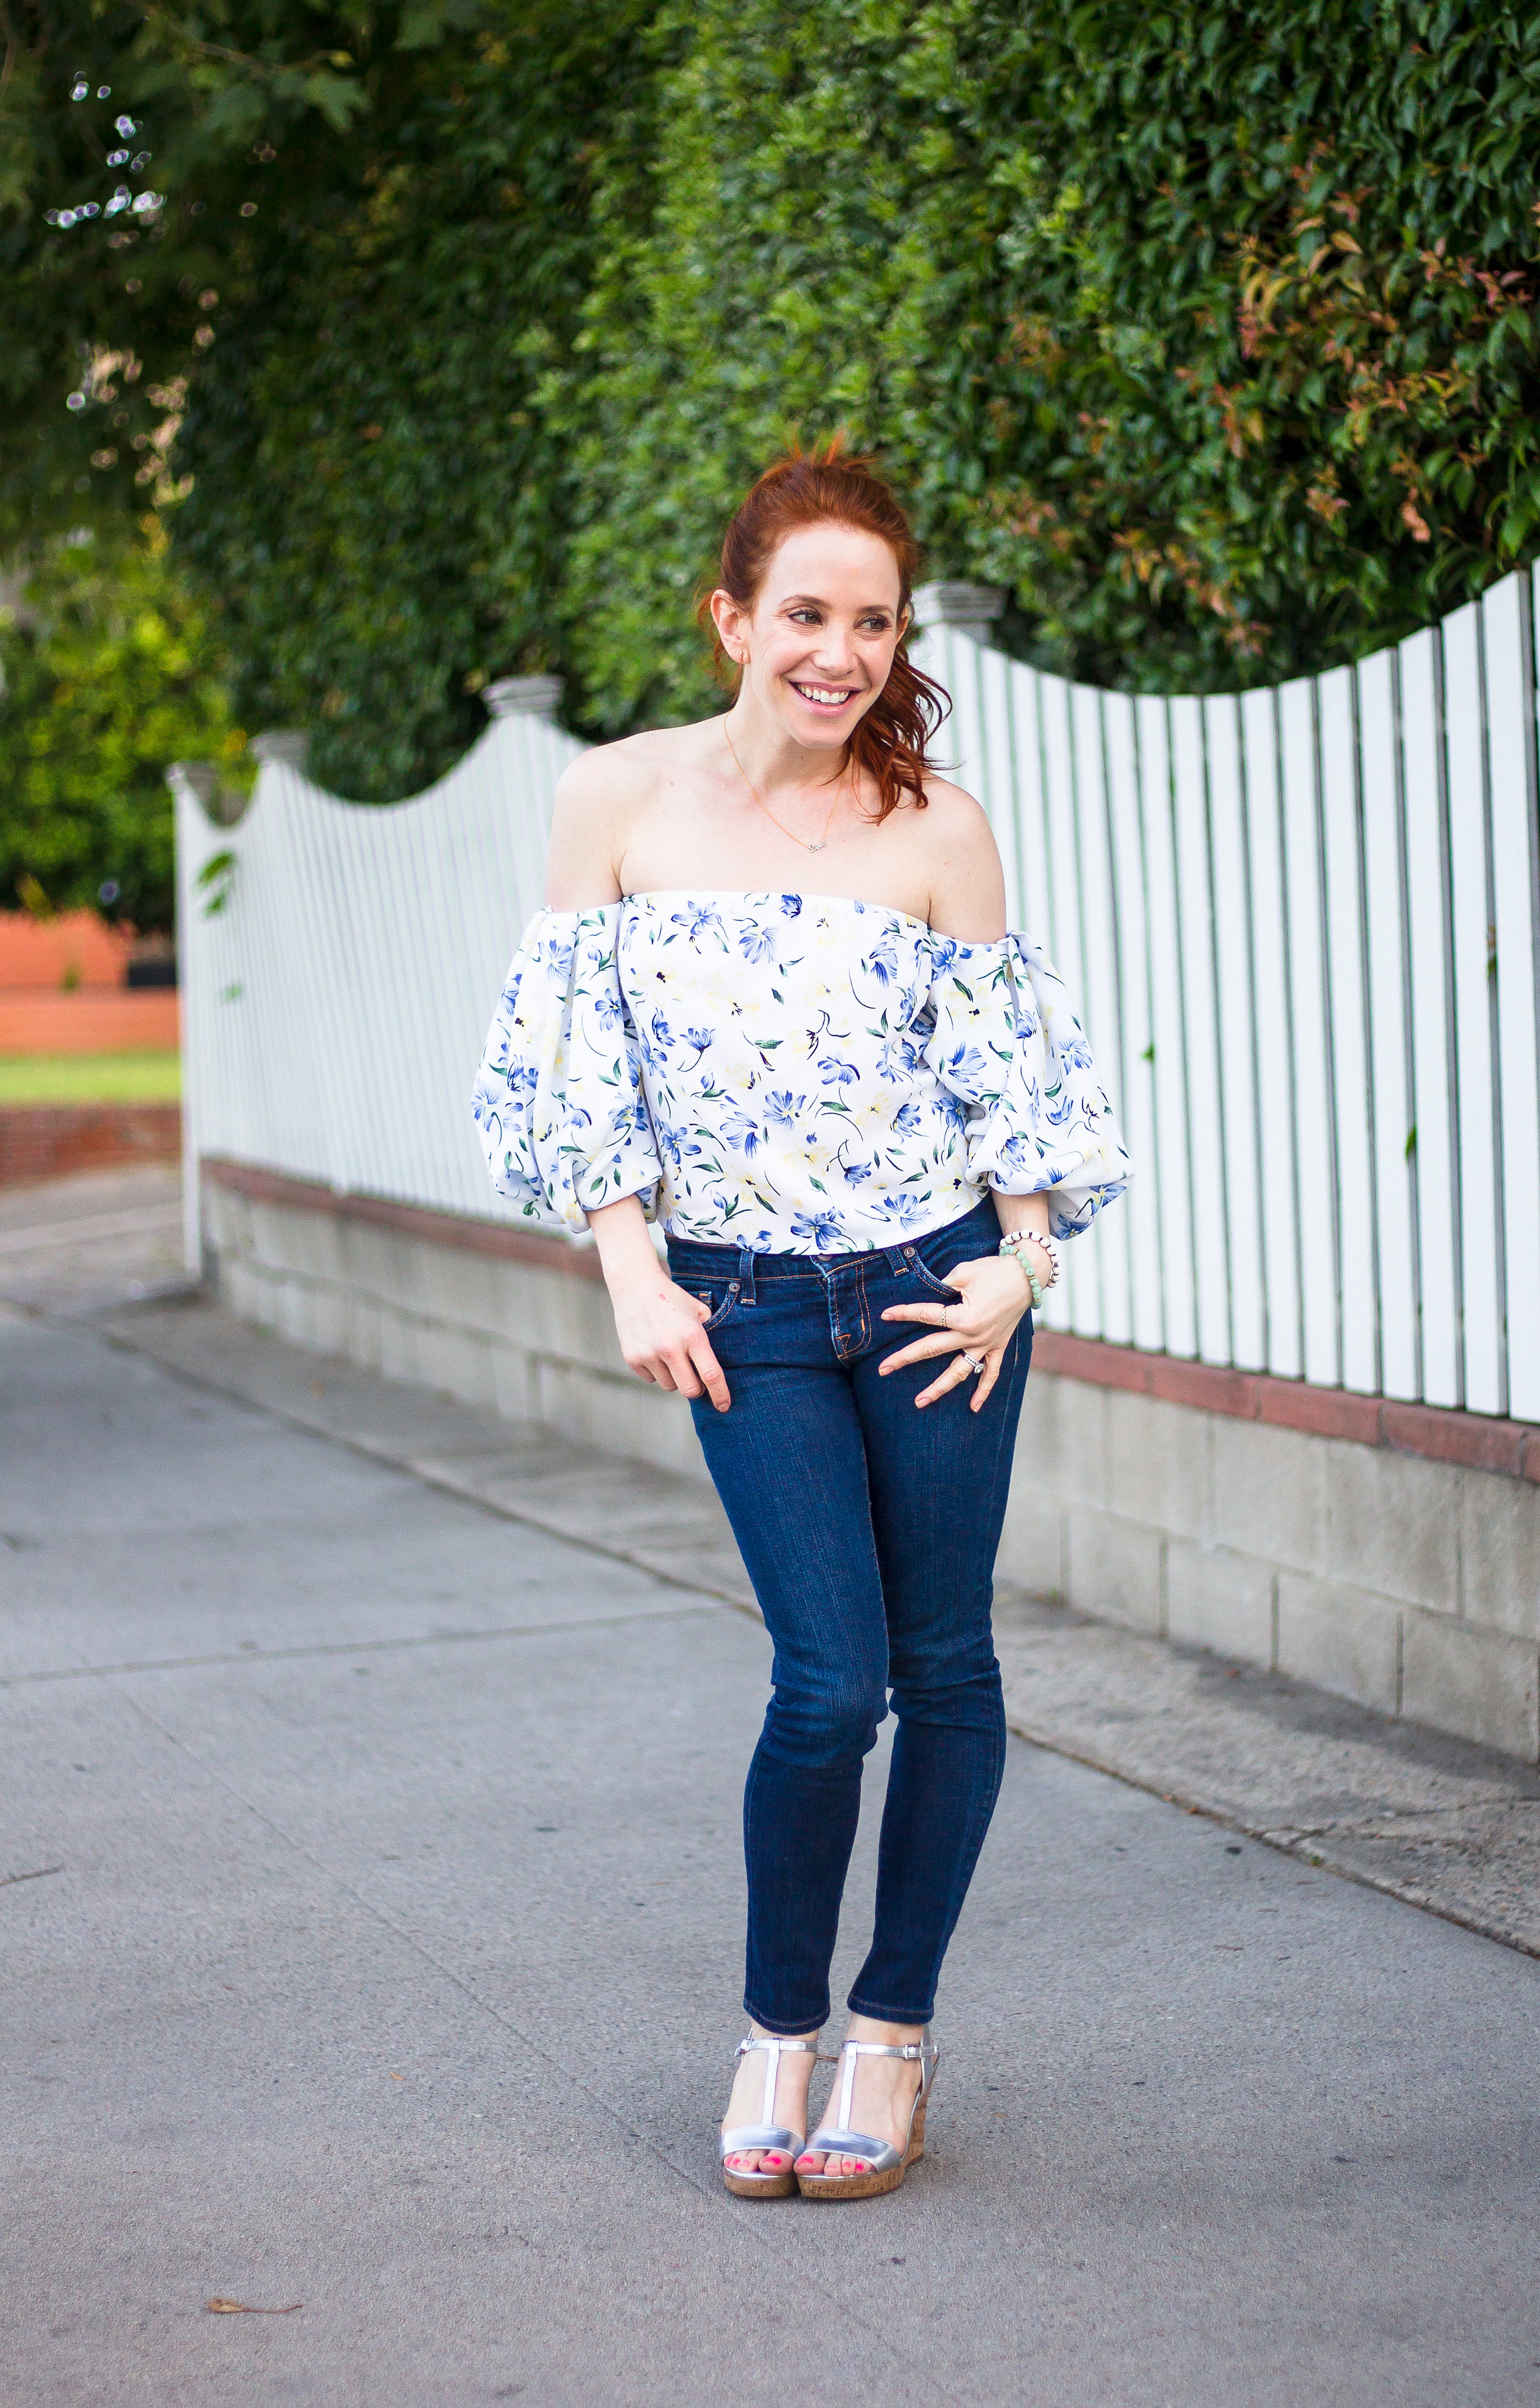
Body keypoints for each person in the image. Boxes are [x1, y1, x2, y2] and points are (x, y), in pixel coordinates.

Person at [471, 443, 1128, 2201]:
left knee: (947, 1664)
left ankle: (891, 2033)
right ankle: (778, 2030)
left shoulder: (939, 828)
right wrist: (630, 1265)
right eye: (807, 615)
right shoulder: (618, 799)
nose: (841, 653)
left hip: (936, 1295)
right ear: (733, 619)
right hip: (741, 1302)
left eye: (875, 622)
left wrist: (1025, 1264)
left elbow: (1009, 1081)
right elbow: (576, 1060)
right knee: (829, 1684)